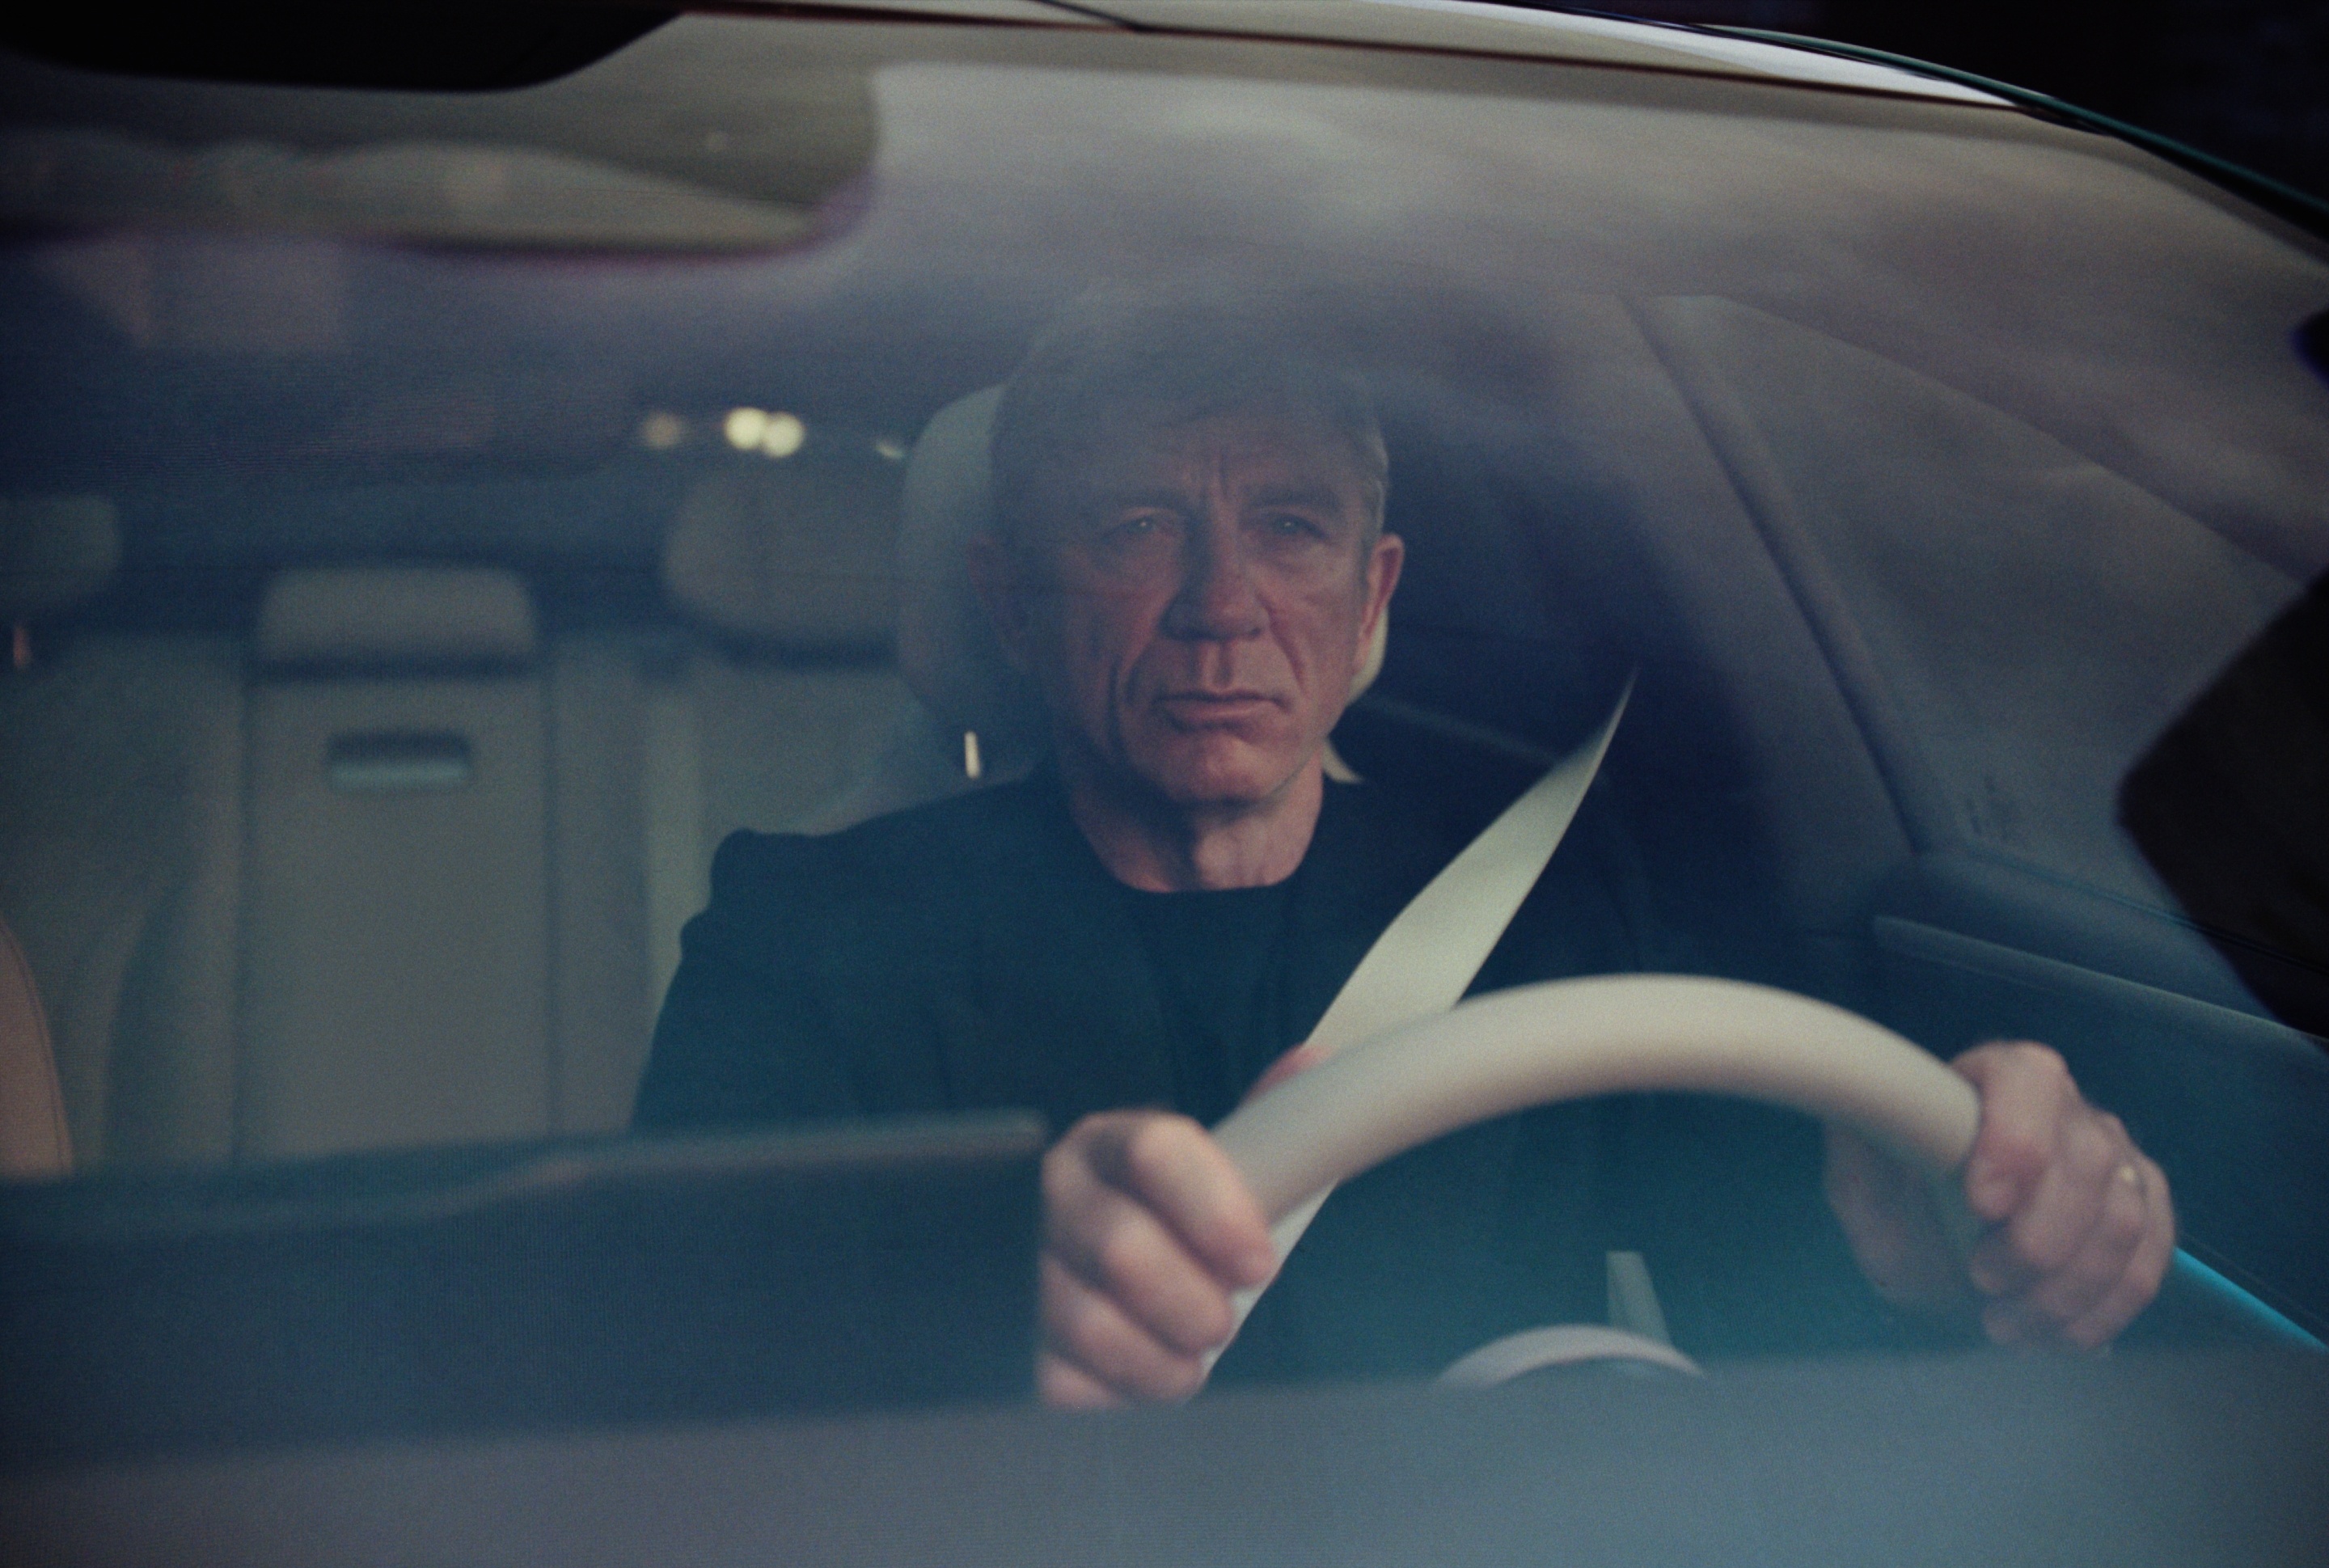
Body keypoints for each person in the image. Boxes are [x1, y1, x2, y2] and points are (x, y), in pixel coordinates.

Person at [635, 290, 2176, 1409]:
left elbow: (1780, 1294)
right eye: (1134, 529)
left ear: (1371, 595)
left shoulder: (1554, 906)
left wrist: (1958, 1246)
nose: (1222, 606)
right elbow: (666, 1359)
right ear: (1010, 601)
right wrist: (967, 1306)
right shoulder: (806, 929)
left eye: (1290, 530)